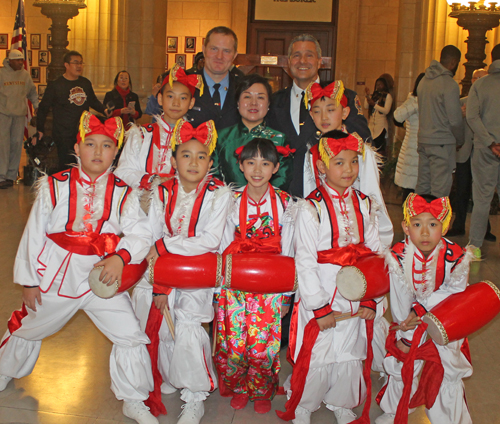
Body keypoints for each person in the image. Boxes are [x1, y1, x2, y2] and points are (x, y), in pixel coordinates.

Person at [0, 111, 158, 424]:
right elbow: (34, 233)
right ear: (78, 146)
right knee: (28, 327)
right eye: (91, 144)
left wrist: (120, 257)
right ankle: (4, 370)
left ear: (116, 152)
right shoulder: (55, 185)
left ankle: (133, 397)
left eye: (107, 146)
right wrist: (30, 281)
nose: (98, 152)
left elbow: (141, 232)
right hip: (58, 277)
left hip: (103, 279)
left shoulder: (124, 193)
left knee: (129, 334)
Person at [279, 130, 383, 424]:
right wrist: (319, 306)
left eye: (353, 162)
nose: (348, 170)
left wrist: (372, 299)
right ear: (322, 167)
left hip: (355, 295)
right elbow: (305, 261)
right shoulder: (310, 208)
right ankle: (304, 403)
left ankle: (342, 400)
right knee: (318, 352)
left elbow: (375, 256)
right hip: (322, 294)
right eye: (339, 162)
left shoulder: (365, 204)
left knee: (349, 350)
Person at [145, 118, 232, 424]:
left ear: (210, 162)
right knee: (166, 324)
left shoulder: (219, 193)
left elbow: (209, 241)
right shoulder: (162, 191)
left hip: (199, 272)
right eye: (186, 155)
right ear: (173, 160)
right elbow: (151, 237)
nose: (194, 162)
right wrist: (161, 283)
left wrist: (166, 245)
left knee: (188, 326)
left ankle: (195, 394)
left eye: (201, 156)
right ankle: (175, 374)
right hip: (167, 271)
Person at [115, 64, 201, 332]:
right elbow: (123, 172)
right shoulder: (141, 134)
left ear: (192, 102)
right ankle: (147, 352)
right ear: (159, 98)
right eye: (170, 96)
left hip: (183, 222)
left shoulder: (200, 138)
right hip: (145, 216)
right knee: (146, 284)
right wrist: (155, 181)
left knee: (181, 290)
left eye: (183, 97)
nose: (176, 103)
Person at [376, 193, 474, 424]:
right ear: (406, 227)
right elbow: (401, 303)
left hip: (447, 326)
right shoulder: (397, 257)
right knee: (403, 364)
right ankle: (395, 411)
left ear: (445, 226)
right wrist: (407, 335)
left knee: (447, 371)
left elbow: (455, 295)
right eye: (417, 225)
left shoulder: (457, 258)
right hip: (410, 325)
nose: (425, 232)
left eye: (433, 225)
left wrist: (421, 309)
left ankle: (450, 419)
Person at [214, 138, 295, 414]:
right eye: (251, 163)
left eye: (265, 163)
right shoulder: (231, 202)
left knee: (264, 345)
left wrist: (287, 295)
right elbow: (222, 245)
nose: (257, 170)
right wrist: (218, 292)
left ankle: (262, 390)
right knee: (234, 343)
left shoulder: (286, 204)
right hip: (235, 284)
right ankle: (239, 387)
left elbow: (291, 250)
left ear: (275, 167)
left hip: (271, 286)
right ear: (240, 166)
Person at [266, 34, 372, 198]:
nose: (302, 61)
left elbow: (362, 141)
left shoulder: (343, 97)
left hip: (328, 199)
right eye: (296, 56)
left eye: (309, 55)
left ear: (320, 61)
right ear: (288, 62)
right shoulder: (274, 101)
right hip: (283, 197)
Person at [303, 80, 394, 248]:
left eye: (331, 110)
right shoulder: (311, 153)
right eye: (317, 111)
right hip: (323, 239)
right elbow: (309, 194)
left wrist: (379, 248)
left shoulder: (360, 151)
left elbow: (373, 201)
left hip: (356, 237)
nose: (324, 117)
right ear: (311, 115)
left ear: (345, 112)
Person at [213, 73, 293, 190]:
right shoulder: (220, 137)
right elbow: (213, 175)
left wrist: (258, 200)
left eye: (260, 97)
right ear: (237, 102)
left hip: (269, 204)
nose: (253, 103)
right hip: (228, 204)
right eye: (247, 97)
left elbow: (283, 178)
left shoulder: (279, 138)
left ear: (268, 104)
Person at [37, 50, 110, 171]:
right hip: (63, 133)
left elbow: (93, 101)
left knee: (82, 163)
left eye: (81, 63)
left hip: (82, 131)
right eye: (75, 63)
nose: (79, 66)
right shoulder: (56, 85)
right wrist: (40, 129)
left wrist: (105, 110)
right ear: (66, 65)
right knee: (67, 164)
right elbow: (43, 108)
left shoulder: (85, 83)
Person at [448, 68, 496, 241]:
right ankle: (458, 225)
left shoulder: (487, 97)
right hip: (466, 152)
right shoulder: (463, 101)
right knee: (462, 190)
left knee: (483, 195)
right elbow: (453, 122)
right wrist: (461, 115)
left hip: (484, 151)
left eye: (480, 78)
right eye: (475, 78)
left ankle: (484, 231)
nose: (477, 81)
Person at [416, 45, 464, 197]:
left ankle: (417, 220)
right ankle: (437, 221)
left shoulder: (423, 80)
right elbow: (455, 120)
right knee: (440, 191)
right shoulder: (449, 84)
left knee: (423, 188)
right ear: (454, 62)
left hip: (424, 140)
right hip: (442, 142)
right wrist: (460, 140)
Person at [467, 44, 500, 258]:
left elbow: (471, 117)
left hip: (485, 149)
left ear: (491, 57)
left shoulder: (480, 85)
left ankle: (475, 248)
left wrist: (490, 142)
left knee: (481, 199)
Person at [187, 26, 240, 130]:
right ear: (204, 50)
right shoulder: (186, 85)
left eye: (226, 51)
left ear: (234, 55)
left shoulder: (244, 88)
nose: (219, 56)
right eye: (214, 49)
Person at [0, 49, 39, 189]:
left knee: (16, 144)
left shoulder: (25, 75)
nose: (20, 62)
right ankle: (1, 176)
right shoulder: (1, 74)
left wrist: (36, 106)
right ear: (9, 60)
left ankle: (11, 176)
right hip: (3, 114)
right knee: (3, 146)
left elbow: (32, 92)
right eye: (17, 60)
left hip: (19, 114)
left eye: (21, 60)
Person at [393, 73, 425, 202]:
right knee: (409, 190)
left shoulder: (432, 100)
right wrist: (417, 104)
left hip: (424, 149)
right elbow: (397, 116)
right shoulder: (412, 99)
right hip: (411, 149)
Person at [364, 74, 394, 156]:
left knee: (379, 147)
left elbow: (386, 111)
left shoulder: (388, 96)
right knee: (371, 147)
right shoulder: (374, 96)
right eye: (377, 84)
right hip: (371, 126)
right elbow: (366, 106)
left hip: (381, 126)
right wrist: (367, 96)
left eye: (380, 84)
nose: (378, 86)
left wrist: (374, 105)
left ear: (384, 85)